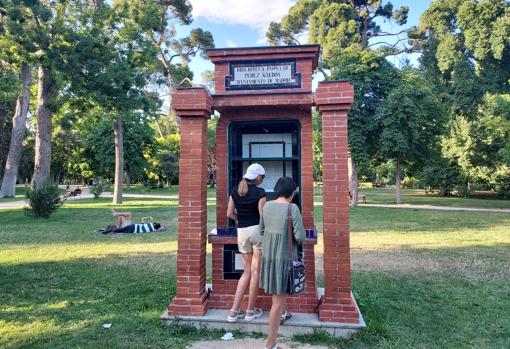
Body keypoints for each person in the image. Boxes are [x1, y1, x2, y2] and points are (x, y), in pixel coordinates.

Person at [259, 177, 305, 349]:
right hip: (284, 259)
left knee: (277, 300)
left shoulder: (268, 206)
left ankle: (272, 340)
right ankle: (270, 345)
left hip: (269, 258)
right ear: (290, 192)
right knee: (278, 303)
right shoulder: (292, 208)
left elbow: (261, 230)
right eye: (294, 191)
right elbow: (300, 236)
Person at [226, 163, 267, 322]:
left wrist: (240, 220)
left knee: (246, 271)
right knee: (255, 272)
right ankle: (250, 311)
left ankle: (234, 311)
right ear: (257, 177)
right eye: (262, 177)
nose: (262, 180)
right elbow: (262, 216)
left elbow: (230, 213)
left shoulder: (236, 190)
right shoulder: (260, 192)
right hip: (256, 231)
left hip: (241, 232)